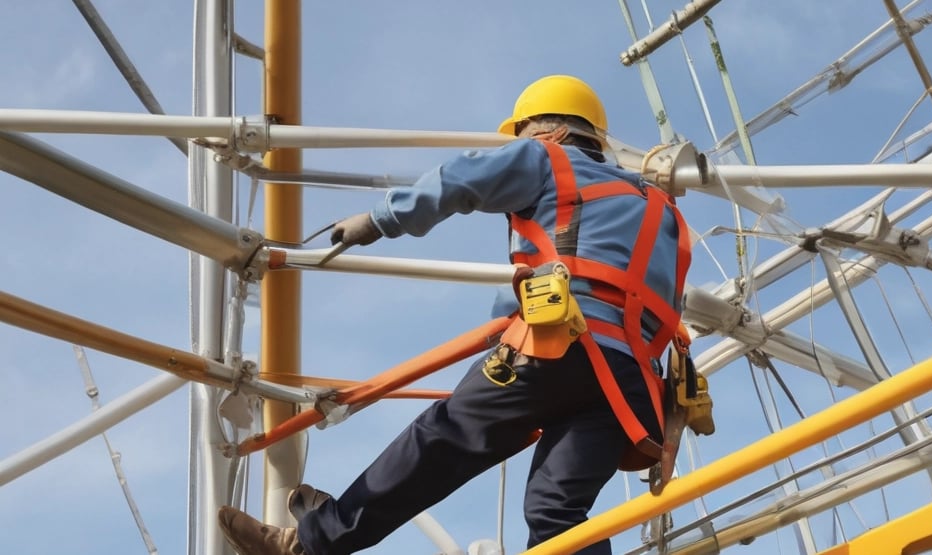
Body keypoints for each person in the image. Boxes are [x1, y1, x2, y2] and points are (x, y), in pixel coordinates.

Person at [219, 74, 692, 555]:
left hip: (555, 349)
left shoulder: (544, 157)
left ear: (552, 132)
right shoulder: (663, 209)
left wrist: (378, 220)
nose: (520, 144)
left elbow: (460, 179)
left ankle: (309, 543)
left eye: (522, 134)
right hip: (630, 384)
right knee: (558, 510)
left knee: (441, 439)